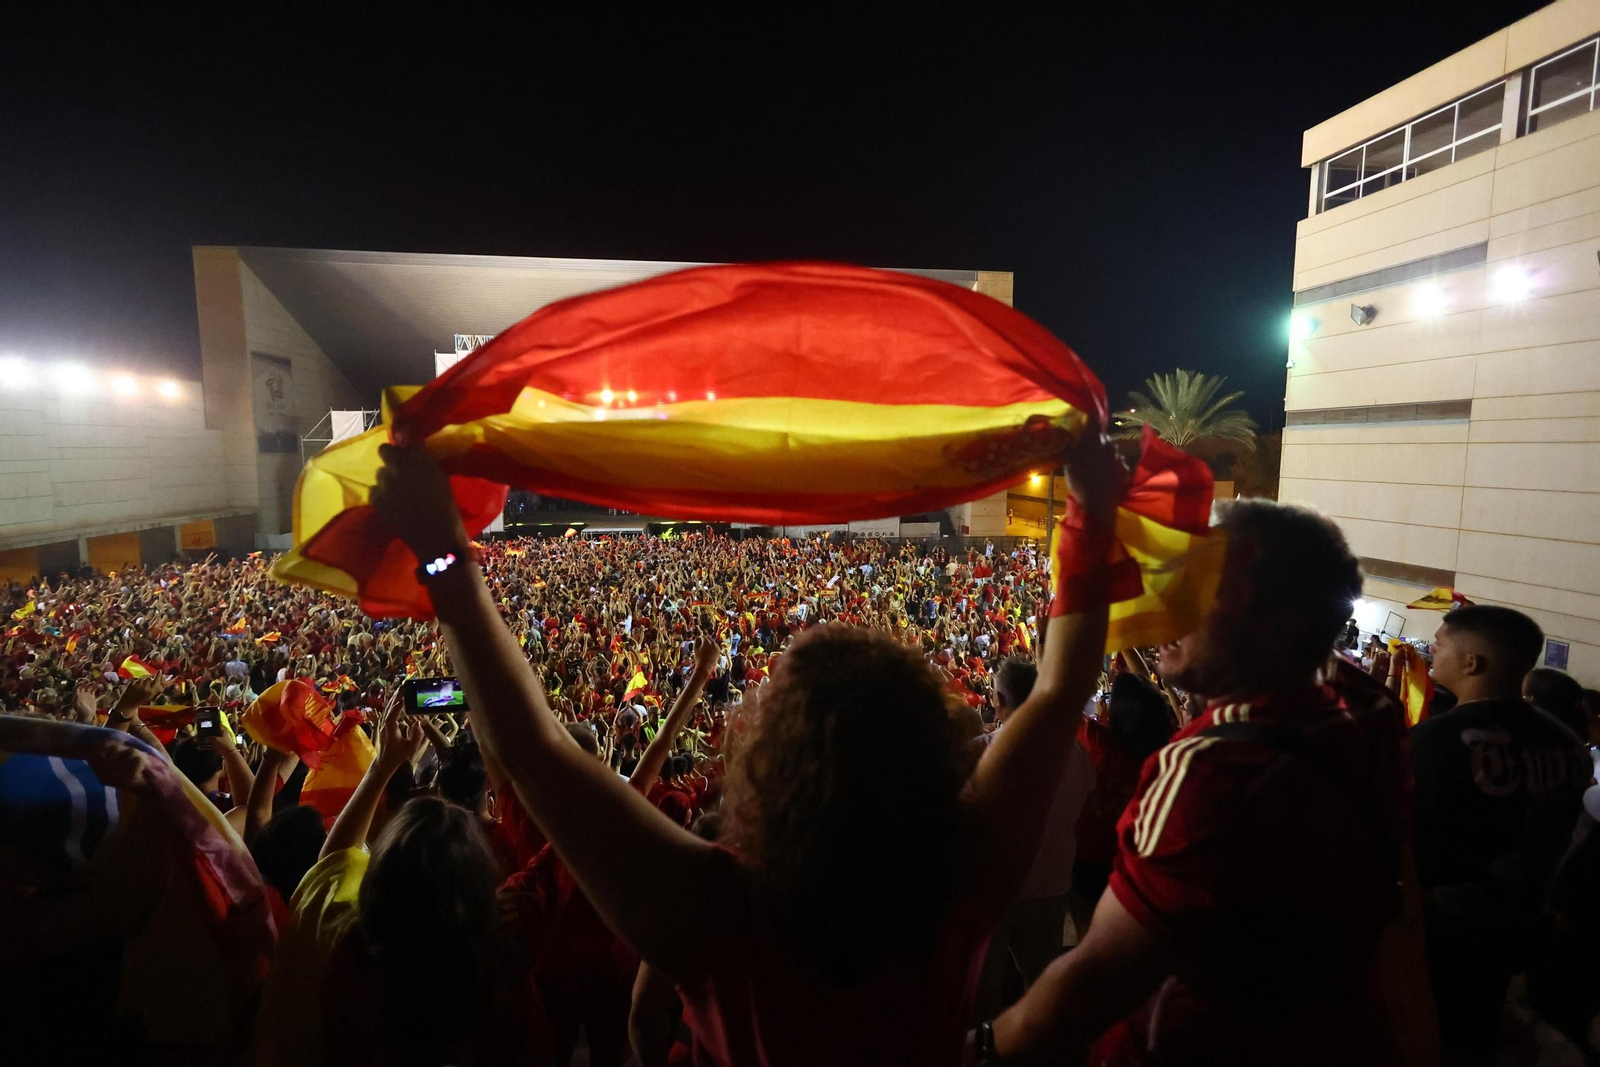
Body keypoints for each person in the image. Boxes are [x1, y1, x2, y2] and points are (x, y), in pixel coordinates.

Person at [367, 429, 1124, 1067]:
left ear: (768, 767)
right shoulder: (964, 878)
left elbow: (533, 749)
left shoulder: (715, 913)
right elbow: (1060, 694)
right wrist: (1093, 515)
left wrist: (442, 553)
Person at [989, 498, 1416, 1066]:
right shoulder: (1370, 713)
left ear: (1278, 627)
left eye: (1198, 590)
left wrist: (977, 1050)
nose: (1163, 608)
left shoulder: (1206, 769)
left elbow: (1088, 988)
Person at [1411, 605, 1594, 1064]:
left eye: (1440, 644)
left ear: (1472, 662)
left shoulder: (1436, 741)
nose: (1432, 650)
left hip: (1447, 928)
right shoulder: (1566, 743)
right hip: (1526, 917)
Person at [975, 656, 1095, 1017]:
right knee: (1042, 999)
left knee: (984, 1003)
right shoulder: (1075, 753)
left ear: (997, 699)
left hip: (991, 896)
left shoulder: (978, 751)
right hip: (1050, 887)